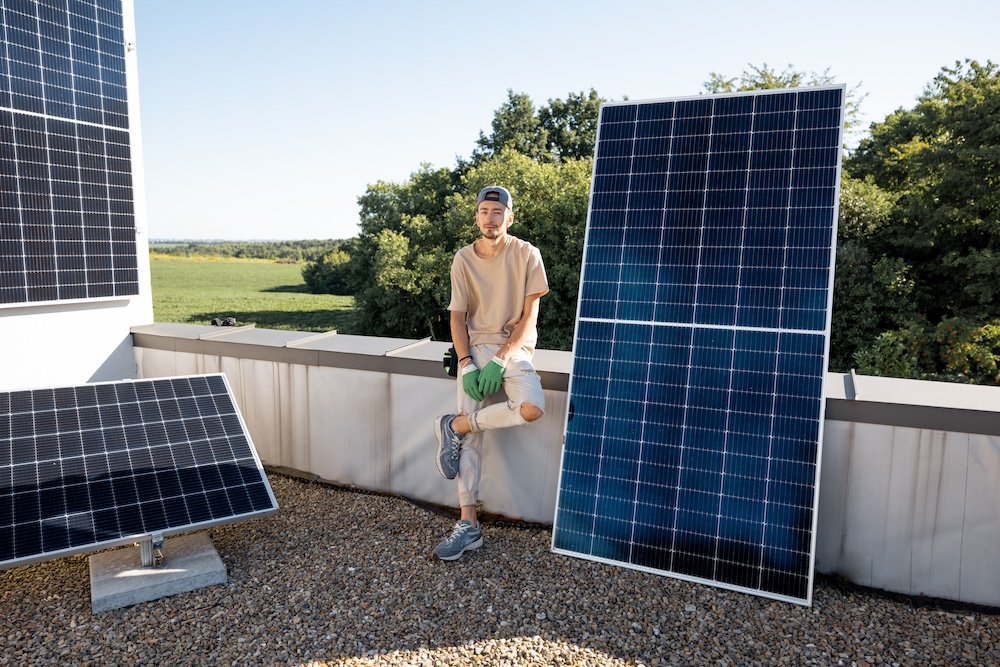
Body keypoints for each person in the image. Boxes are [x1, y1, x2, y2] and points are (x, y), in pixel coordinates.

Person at [432, 185, 549, 561]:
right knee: (472, 445)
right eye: (483, 211)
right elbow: (457, 317)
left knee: (531, 407)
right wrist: (466, 363)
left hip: (513, 350)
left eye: (497, 212)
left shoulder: (527, 254)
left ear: (509, 218)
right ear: (477, 216)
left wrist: (501, 358)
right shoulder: (462, 259)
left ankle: (456, 425)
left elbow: (529, 316)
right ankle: (469, 524)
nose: (489, 218)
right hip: (474, 347)